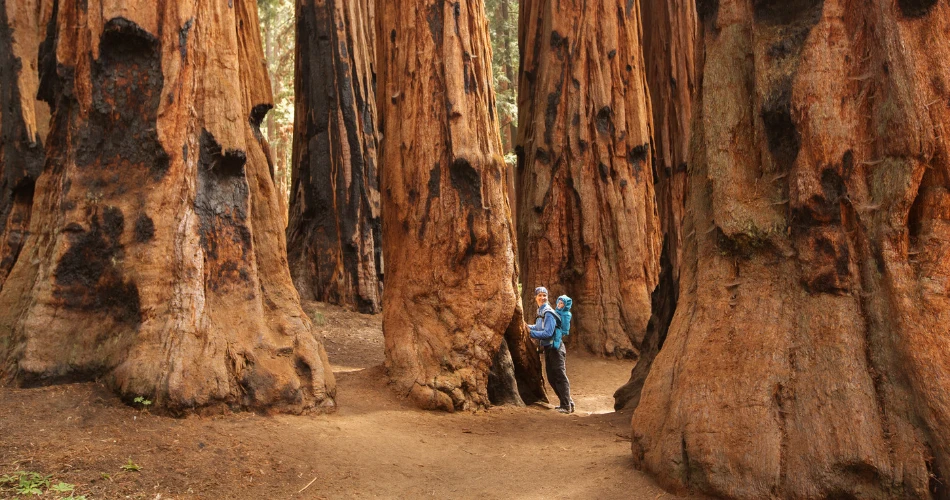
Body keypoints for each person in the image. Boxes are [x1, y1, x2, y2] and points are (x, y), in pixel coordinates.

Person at [526, 286, 574, 414]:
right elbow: (538, 327)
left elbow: (548, 332)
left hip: (556, 348)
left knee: (559, 375)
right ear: (535, 297)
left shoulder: (548, 312)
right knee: (552, 378)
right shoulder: (541, 311)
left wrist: (530, 333)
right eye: (539, 295)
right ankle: (568, 402)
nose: (542, 298)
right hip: (549, 348)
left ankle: (566, 405)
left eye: (544, 295)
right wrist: (525, 326)